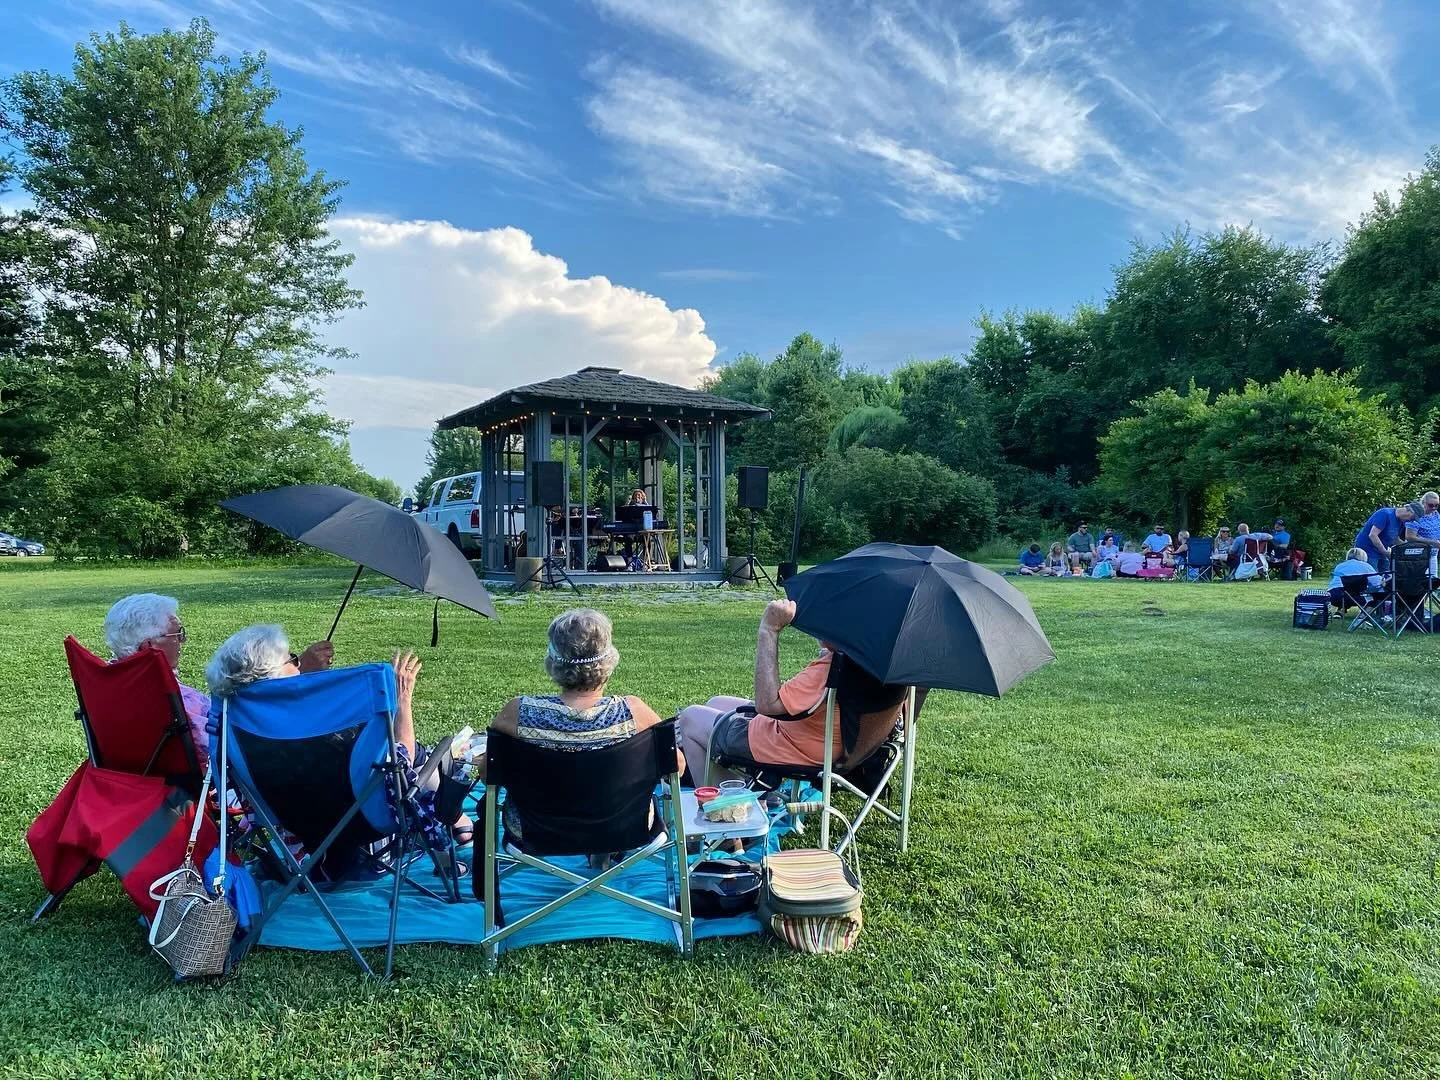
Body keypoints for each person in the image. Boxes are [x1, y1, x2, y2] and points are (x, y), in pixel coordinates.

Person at [482, 609, 679, 841]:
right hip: (623, 826)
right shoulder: (634, 713)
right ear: (609, 660)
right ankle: (603, 849)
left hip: (535, 829)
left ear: (552, 660)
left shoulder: (518, 712)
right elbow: (676, 768)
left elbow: (488, 775)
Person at [678, 599, 906, 785]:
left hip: (799, 748)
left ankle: (729, 817)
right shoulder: (893, 664)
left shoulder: (832, 669)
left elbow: (767, 705)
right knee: (716, 701)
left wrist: (769, 629)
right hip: (843, 745)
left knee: (691, 718)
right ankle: (756, 789)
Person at [104, 594, 332, 767]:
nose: (183, 641)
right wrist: (296, 675)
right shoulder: (167, 699)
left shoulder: (115, 682)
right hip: (215, 786)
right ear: (149, 647)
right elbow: (235, 750)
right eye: (178, 634)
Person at [1355, 502, 1418, 574]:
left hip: (1382, 551)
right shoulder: (1385, 514)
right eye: (1412, 518)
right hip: (1368, 550)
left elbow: (1394, 539)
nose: (1411, 521)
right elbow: (1373, 535)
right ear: (1409, 510)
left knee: (1387, 576)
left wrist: (1408, 547)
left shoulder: (1401, 522)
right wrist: (1385, 552)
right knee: (1373, 576)